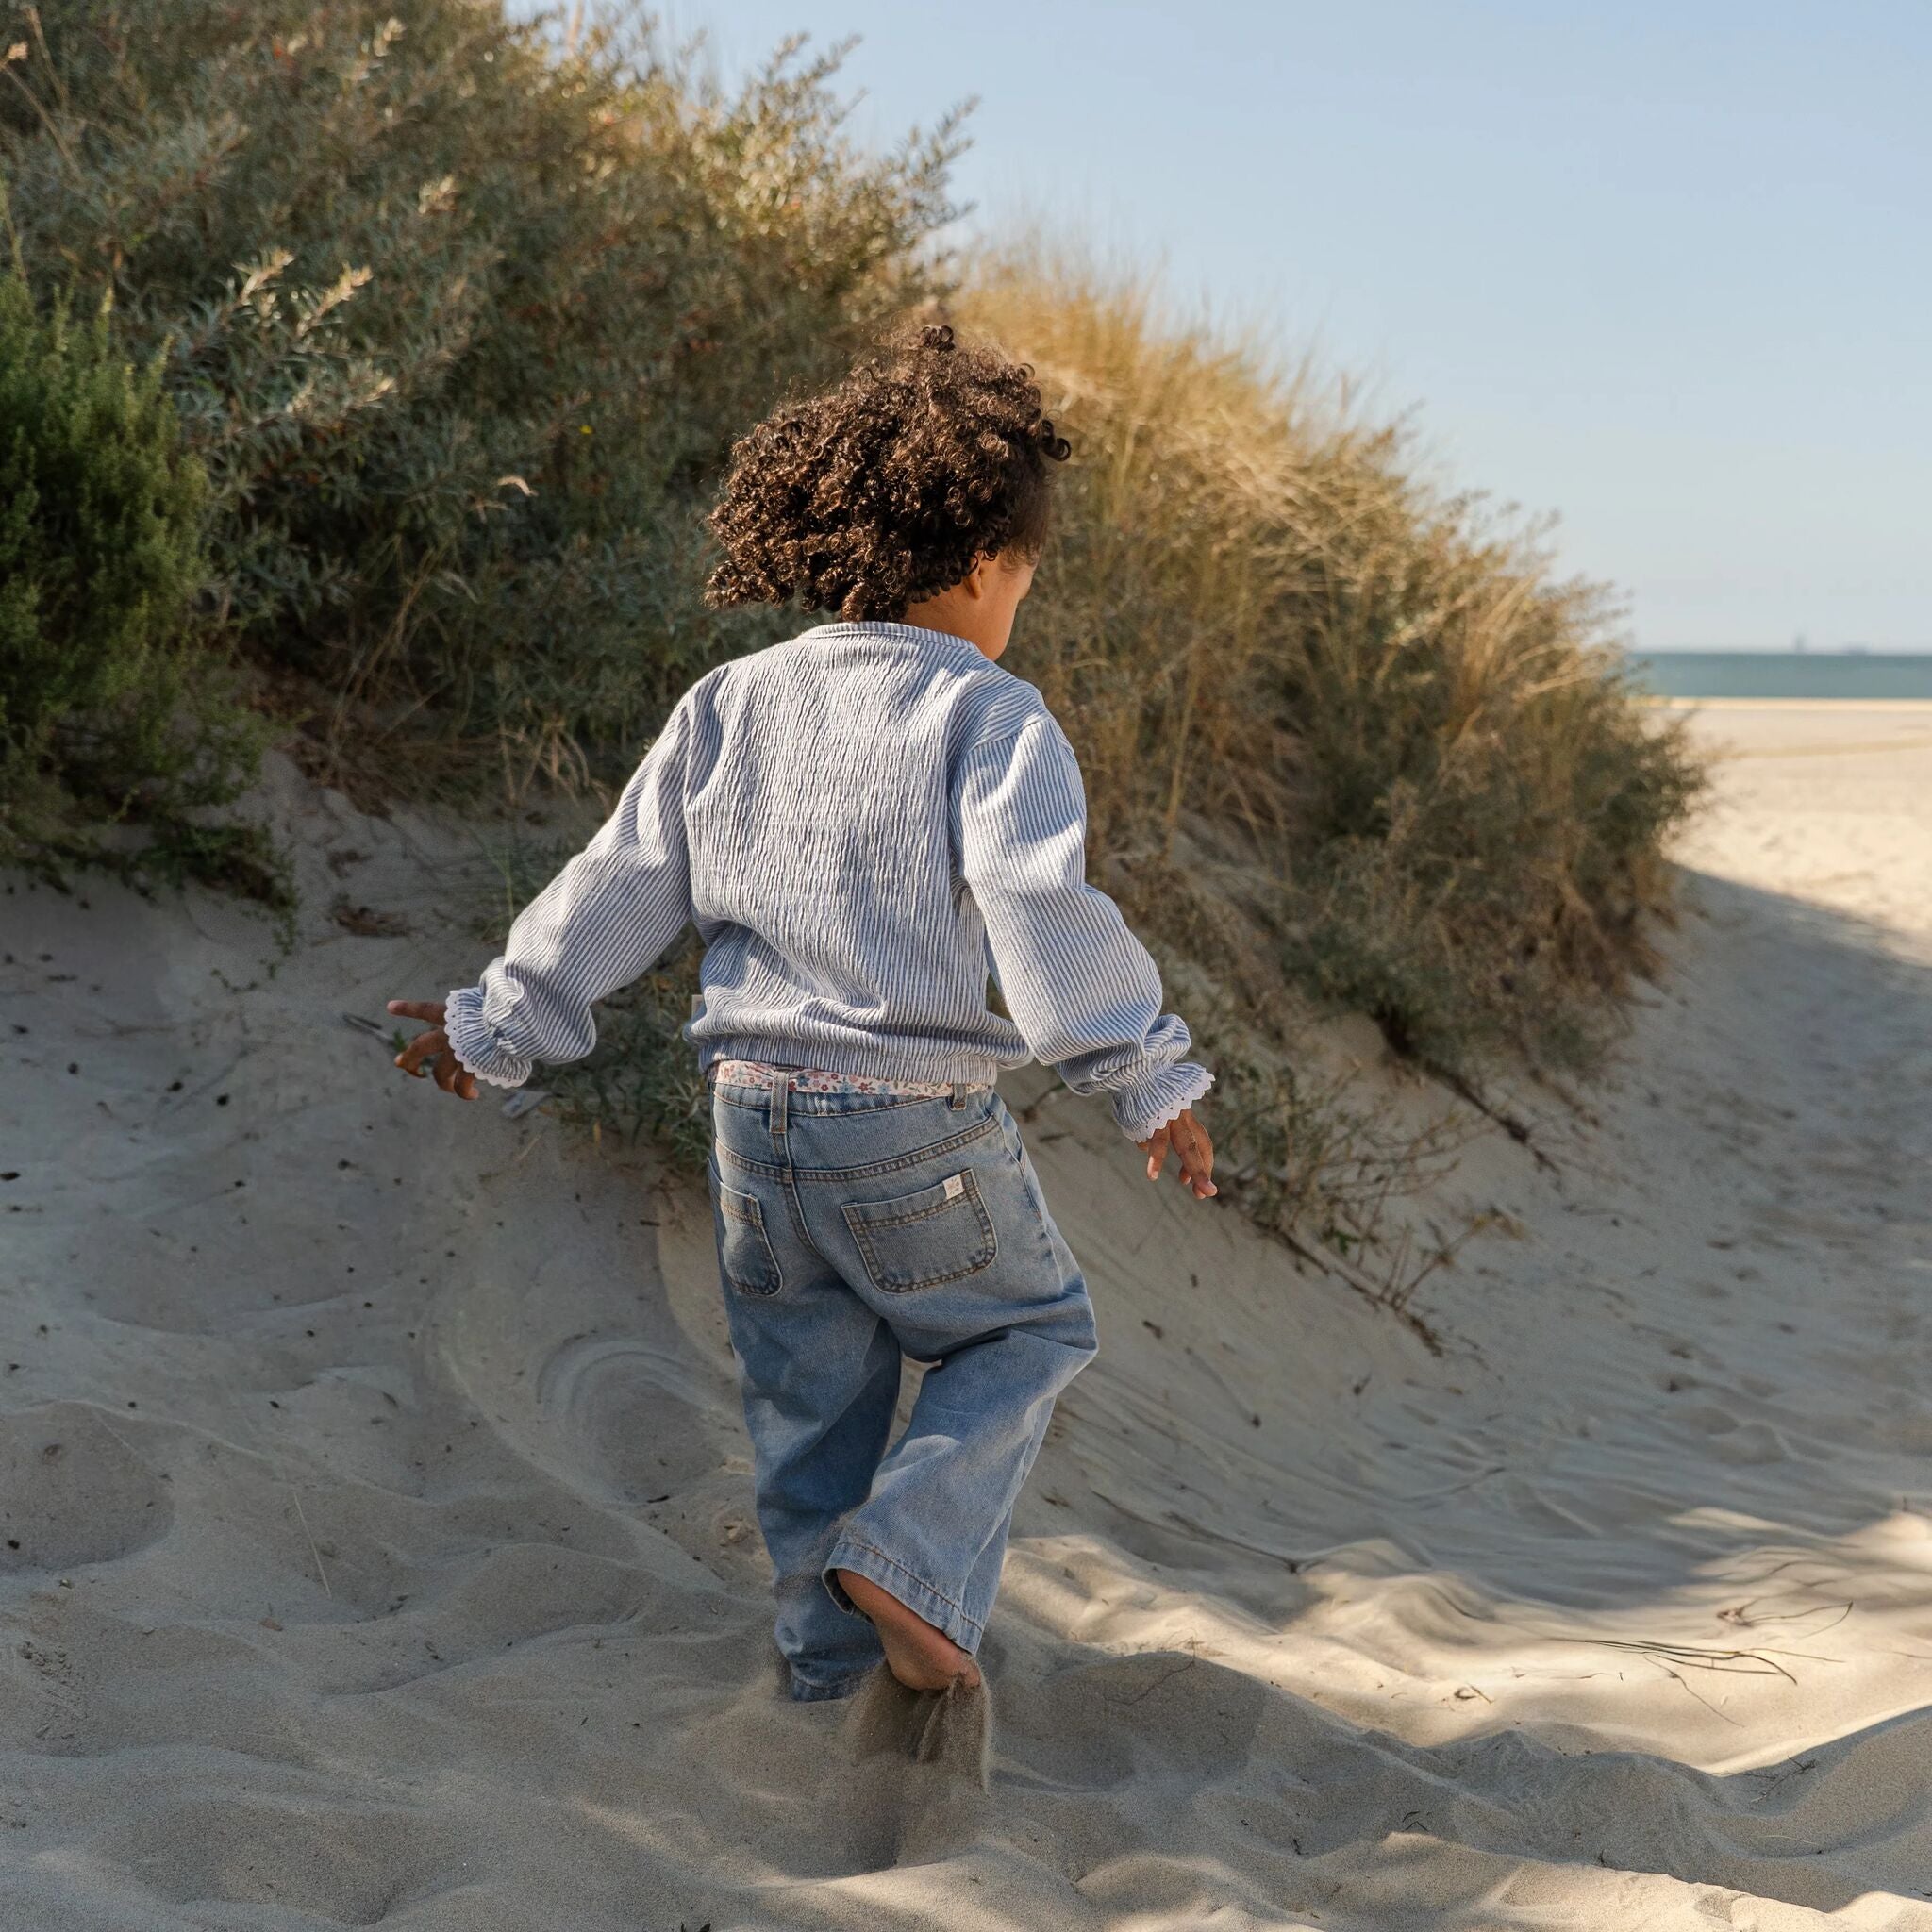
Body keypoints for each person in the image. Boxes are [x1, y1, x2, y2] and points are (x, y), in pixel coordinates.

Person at [388, 324, 1217, 1706]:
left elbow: (622, 881)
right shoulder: (991, 716)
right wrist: (1147, 1076)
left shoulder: (730, 702)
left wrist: (500, 1023)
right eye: (1024, 576)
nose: (1019, 603)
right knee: (1023, 1333)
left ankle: (829, 1675)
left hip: (749, 1130)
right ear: (979, 564)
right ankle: (908, 1559)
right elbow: (1039, 911)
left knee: (806, 1408)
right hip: (910, 1125)